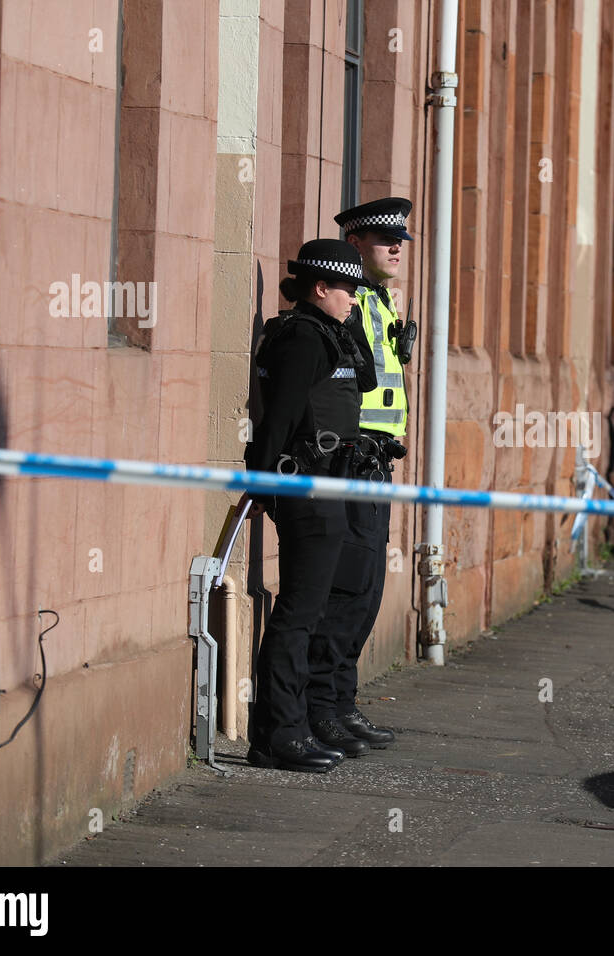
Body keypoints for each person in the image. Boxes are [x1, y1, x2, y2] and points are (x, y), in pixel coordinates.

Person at [242, 238, 379, 772]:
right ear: (319, 288)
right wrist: (261, 483)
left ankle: (289, 729)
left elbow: (362, 378)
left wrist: (351, 323)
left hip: (328, 488)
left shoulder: (326, 332)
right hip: (309, 491)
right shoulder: (302, 338)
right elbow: (278, 418)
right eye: (346, 290)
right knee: (298, 615)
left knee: (310, 611)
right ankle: (281, 735)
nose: (353, 300)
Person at [306, 197, 417, 755]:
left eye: (400, 240)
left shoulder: (385, 301)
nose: (396, 247)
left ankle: (341, 702)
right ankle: (319, 708)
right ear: (356, 244)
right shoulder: (348, 301)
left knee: (366, 591)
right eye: (383, 240)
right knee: (345, 588)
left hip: (378, 461)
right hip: (350, 458)